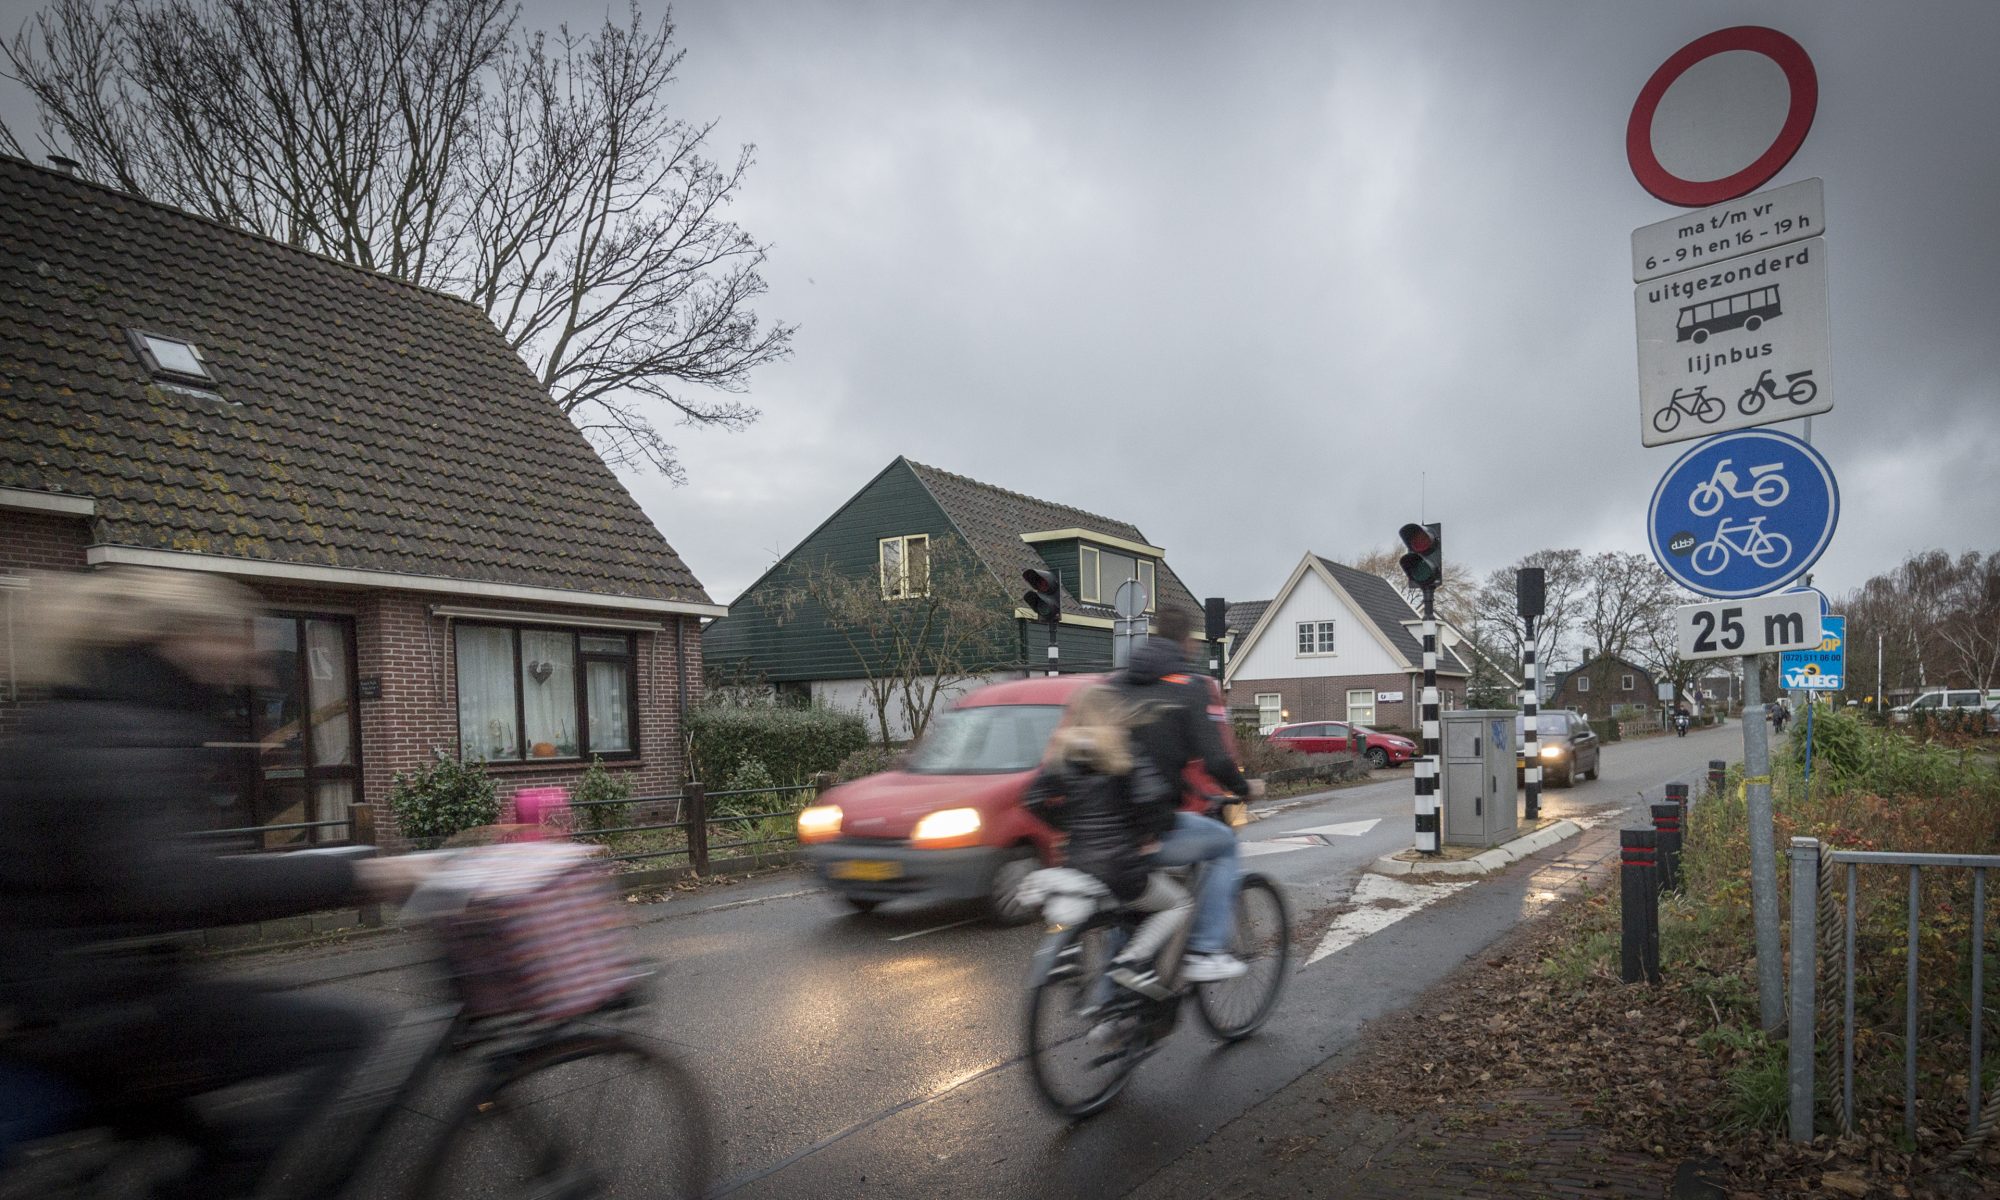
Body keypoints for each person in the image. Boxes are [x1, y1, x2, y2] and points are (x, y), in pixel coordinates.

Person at [0, 568, 428, 1197]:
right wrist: (360, 871)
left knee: (205, 1139)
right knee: (347, 1032)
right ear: (179, 639)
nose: (250, 655)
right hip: (102, 1011)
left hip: (53, 1000)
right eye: (230, 634)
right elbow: (176, 886)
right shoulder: (127, 732)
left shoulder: (69, 718)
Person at [1111, 606, 1260, 983]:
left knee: (1130, 900)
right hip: (1149, 825)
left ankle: (1112, 1003)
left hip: (1103, 827)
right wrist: (1243, 789)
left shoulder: (1117, 683)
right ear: (1187, 643)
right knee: (1224, 844)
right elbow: (1215, 759)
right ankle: (1206, 950)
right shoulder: (1188, 687)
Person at [1022, 685, 1191, 998]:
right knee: (1178, 903)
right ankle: (1133, 960)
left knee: (1089, 911)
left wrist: (1068, 826)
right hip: (1121, 868)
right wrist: (1147, 837)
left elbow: (1033, 799)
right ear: (1111, 712)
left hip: (1078, 862)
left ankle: (1069, 954)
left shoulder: (1062, 753)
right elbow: (1152, 799)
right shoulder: (1122, 749)